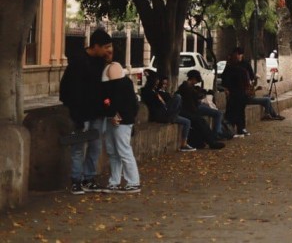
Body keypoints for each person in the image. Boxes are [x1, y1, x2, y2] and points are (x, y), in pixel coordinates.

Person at [59, 28, 113, 194]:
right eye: (106, 47)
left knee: (95, 147)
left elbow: (108, 84)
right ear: (96, 46)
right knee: (78, 147)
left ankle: (89, 178)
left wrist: (109, 61)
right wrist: (77, 115)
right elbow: (70, 90)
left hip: (97, 112)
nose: (108, 50)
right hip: (81, 112)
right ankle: (76, 180)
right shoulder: (78, 61)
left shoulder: (101, 62)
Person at [100, 45, 141, 193]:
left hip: (121, 119)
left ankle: (133, 181)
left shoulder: (120, 77)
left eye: (110, 52)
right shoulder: (111, 73)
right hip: (113, 118)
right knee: (112, 151)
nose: (107, 54)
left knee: (123, 150)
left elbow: (123, 100)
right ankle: (114, 181)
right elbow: (109, 97)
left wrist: (118, 115)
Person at [140, 71, 195, 151]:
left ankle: (184, 143)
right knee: (178, 97)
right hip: (159, 114)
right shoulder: (148, 92)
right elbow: (156, 104)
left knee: (187, 121)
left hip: (167, 113)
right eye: (156, 80)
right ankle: (171, 117)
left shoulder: (155, 91)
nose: (158, 82)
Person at [177, 70, 225, 149]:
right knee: (200, 121)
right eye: (195, 80)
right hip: (185, 111)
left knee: (201, 121)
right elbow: (190, 103)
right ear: (193, 79)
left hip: (188, 110)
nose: (196, 82)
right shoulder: (186, 88)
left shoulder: (188, 87)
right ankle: (211, 142)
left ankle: (209, 141)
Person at [221, 48, 251, 136]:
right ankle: (230, 129)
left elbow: (250, 77)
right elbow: (225, 80)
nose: (239, 56)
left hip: (241, 92)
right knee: (232, 111)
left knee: (240, 111)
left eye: (240, 54)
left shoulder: (245, 65)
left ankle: (241, 128)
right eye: (237, 54)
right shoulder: (230, 67)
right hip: (234, 92)